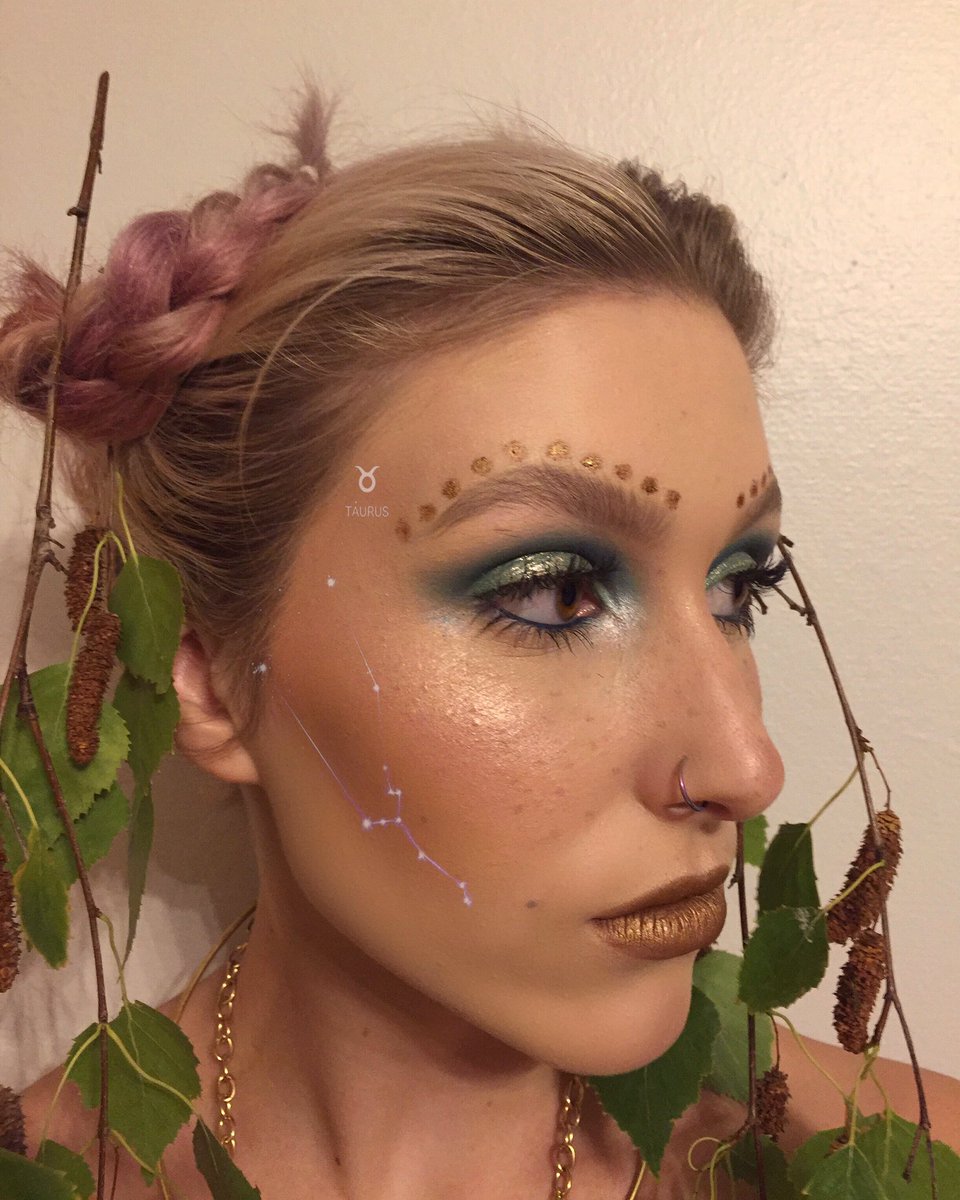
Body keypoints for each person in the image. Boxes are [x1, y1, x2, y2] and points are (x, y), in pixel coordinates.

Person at [4, 87, 959, 1198]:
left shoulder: (894, 1161)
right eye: (555, 593)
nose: (747, 769)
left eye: (739, 585)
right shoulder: (54, 1168)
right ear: (209, 675)